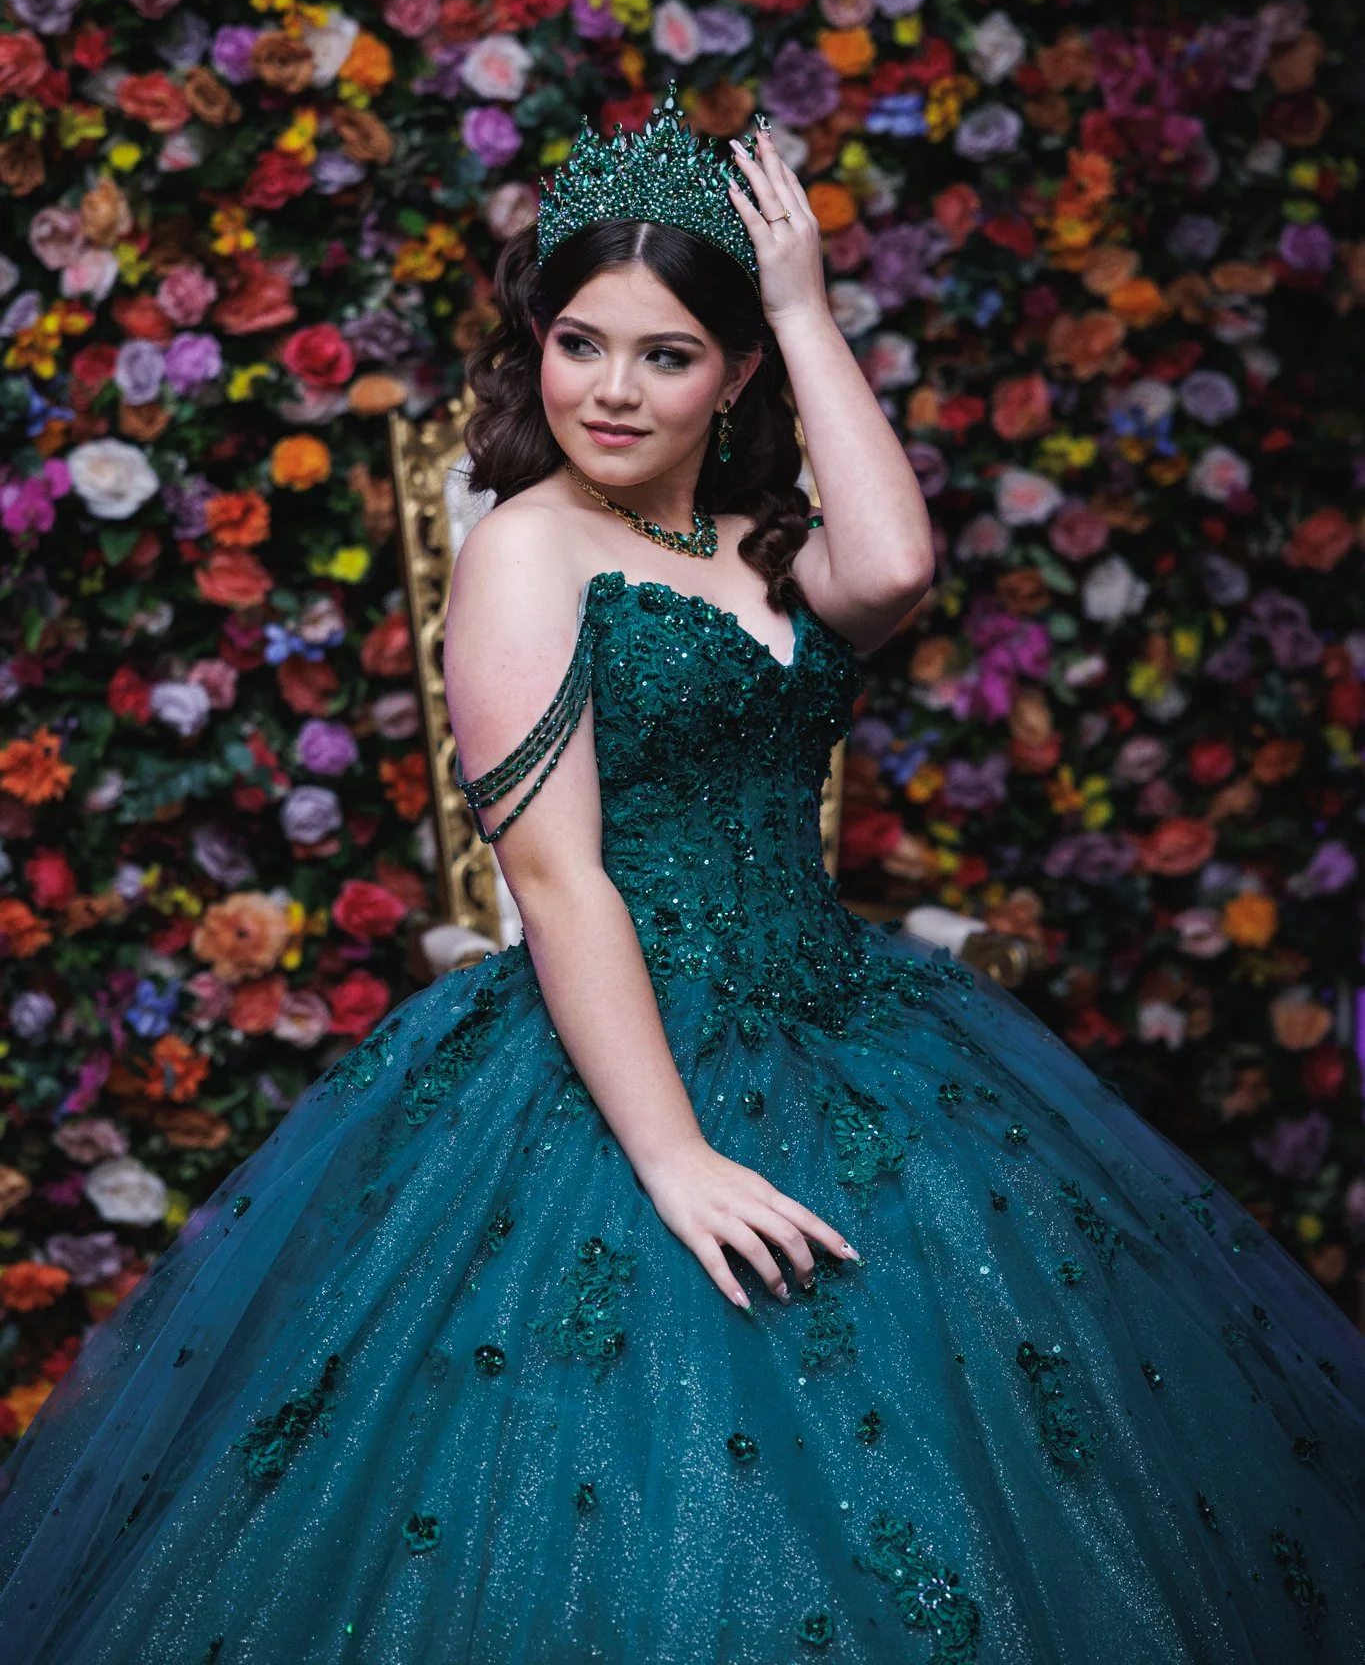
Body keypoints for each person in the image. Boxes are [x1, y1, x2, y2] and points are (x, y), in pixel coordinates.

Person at [0, 89, 1363, 1665]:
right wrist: (670, 1158)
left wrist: (801, 303)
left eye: (667, 355)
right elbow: (563, 880)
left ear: (732, 379)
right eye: (581, 343)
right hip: (625, 1057)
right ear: (538, 349)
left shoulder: (766, 541)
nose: (614, 392)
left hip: (851, 1025)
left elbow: (901, 567)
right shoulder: (527, 543)